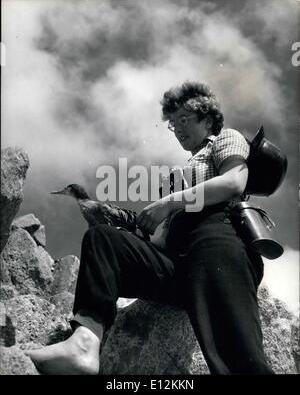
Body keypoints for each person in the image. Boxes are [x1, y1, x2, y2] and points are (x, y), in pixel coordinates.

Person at [25, 81, 274, 375]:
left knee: (239, 358)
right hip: (179, 263)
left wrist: (168, 202)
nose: (177, 128)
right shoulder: (183, 171)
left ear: (207, 120)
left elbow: (233, 183)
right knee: (104, 240)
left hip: (218, 242)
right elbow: (160, 239)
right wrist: (136, 231)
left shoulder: (225, 139)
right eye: (172, 123)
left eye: (184, 119)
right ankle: (83, 345)